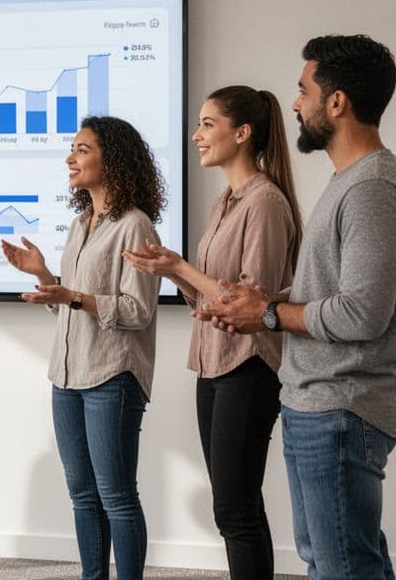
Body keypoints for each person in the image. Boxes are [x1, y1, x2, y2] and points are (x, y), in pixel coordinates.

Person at [196, 35, 396, 580]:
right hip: (316, 401)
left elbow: (362, 313)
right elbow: (330, 294)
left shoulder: (371, 190)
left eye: (304, 90)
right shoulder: (349, 183)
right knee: (328, 562)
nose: (295, 104)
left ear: (336, 102)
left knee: (345, 566)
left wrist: (269, 314)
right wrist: (267, 302)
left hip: (342, 406)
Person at [123, 85, 303, 580]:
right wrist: (173, 273)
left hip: (248, 366)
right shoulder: (226, 200)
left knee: (236, 510)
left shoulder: (265, 202)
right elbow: (210, 299)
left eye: (207, 124)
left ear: (242, 133)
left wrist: (184, 266)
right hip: (213, 363)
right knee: (234, 508)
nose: (196, 135)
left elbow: (250, 302)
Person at [1, 116, 164, 580]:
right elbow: (71, 307)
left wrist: (70, 294)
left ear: (111, 159)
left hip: (112, 377)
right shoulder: (80, 223)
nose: (70, 158)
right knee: (82, 494)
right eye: (72, 150)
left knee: (116, 495)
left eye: (82, 149)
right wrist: (46, 278)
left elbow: (137, 311)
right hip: (67, 376)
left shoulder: (136, 226)